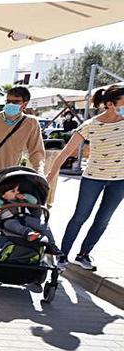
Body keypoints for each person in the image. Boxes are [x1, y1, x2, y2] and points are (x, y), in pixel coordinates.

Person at [46, 84, 124, 271]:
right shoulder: (91, 125)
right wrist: (50, 175)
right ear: (111, 104)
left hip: (120, 181)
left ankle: (83, 255)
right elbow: (66, 152)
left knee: (103, 220)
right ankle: (62, 255)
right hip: (93, 178)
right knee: (80, 216)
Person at [0, 86, 45, 258]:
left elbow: (36, 152)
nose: (10, 104)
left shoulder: (31, 123)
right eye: (8, 101)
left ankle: (0, 252)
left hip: (10, 178)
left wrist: (39, 171)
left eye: (15, 102)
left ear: (24, 104)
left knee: (7, 215)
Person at [0, 180, 60, 254]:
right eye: (13, 191)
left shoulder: (19, 199)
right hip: (8, 221)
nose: (17, 192)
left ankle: (52, 245)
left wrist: (25, 196)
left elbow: (34, 201)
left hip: (24, 218)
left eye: (17, 190)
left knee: (43, 225)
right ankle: (29, 233)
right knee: (12, 224)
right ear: (3, 194)